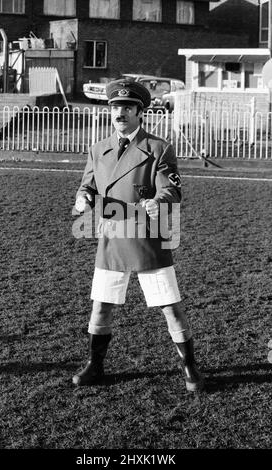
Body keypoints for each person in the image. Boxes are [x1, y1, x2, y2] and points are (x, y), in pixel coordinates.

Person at [73, 78, 204, 392]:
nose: (121, 112)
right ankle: (95, 364)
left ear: (140, 112)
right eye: (116, 106)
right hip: (112, 237)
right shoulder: (98, 149)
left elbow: (171, 190)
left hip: (148, 235)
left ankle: (189, 366)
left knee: (170, 306)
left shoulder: (159, 148)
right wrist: (81, 199)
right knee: (101, 305)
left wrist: (157, 201)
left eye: (128, 107)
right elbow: (87, 186)